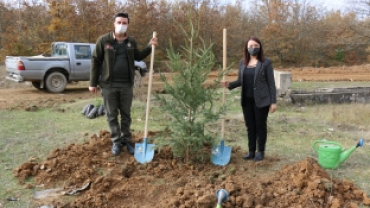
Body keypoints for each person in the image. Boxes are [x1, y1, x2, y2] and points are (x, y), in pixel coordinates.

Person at [89, 12, 158, 156]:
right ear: (114, 24)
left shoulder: (131, 42)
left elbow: (137, 56)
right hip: (109, 85)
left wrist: (149, 46)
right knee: (111, 115)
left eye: (124, 23)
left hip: (126, 85)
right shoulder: (104, 41)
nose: (121, 25)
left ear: (128, 25)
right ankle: (116, 141)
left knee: (126, 115)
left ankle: (126, 140)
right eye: (119, 22)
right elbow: (95, 61)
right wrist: (93, 83)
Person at [221, 37, 276, 161]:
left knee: (260, 126)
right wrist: (229, 84)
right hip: (247, 100)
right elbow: (241, 80)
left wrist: (273, 102)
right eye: (251, 46)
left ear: (260, 47)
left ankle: (260, 151)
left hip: (262, 100)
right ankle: (251, 151)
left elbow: (271, 83)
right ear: (247, 48)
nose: (253, 48)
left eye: (256, 45)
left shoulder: (266, 62)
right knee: (250, 126)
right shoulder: (243, 63)